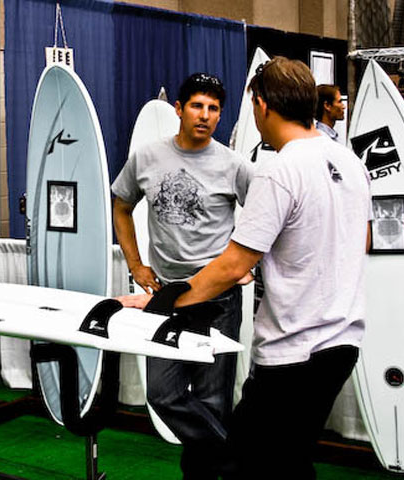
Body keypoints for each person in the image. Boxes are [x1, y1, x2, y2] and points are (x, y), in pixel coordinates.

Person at [120, 57, 372, 479]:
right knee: (289, 460)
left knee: (252, 462)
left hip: (293, 351)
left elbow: (233, 265)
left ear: (262, 106)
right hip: (341, 345)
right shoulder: (349, 162)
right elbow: (360, 242)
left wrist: (160, 303)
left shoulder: (278, 172)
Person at [111, 72, 253, 479]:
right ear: (179, 109)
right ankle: (236, 462)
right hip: (167, 297)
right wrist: (136, 264)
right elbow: (121, 205)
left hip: (217, 298)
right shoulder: (147, 158)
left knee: (212, 403)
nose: (205, 115)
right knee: (163, 394)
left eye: (213, 108)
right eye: (197, 106)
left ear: (220, 114)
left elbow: (265, 218)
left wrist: (246, 264)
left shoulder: (234, 165)